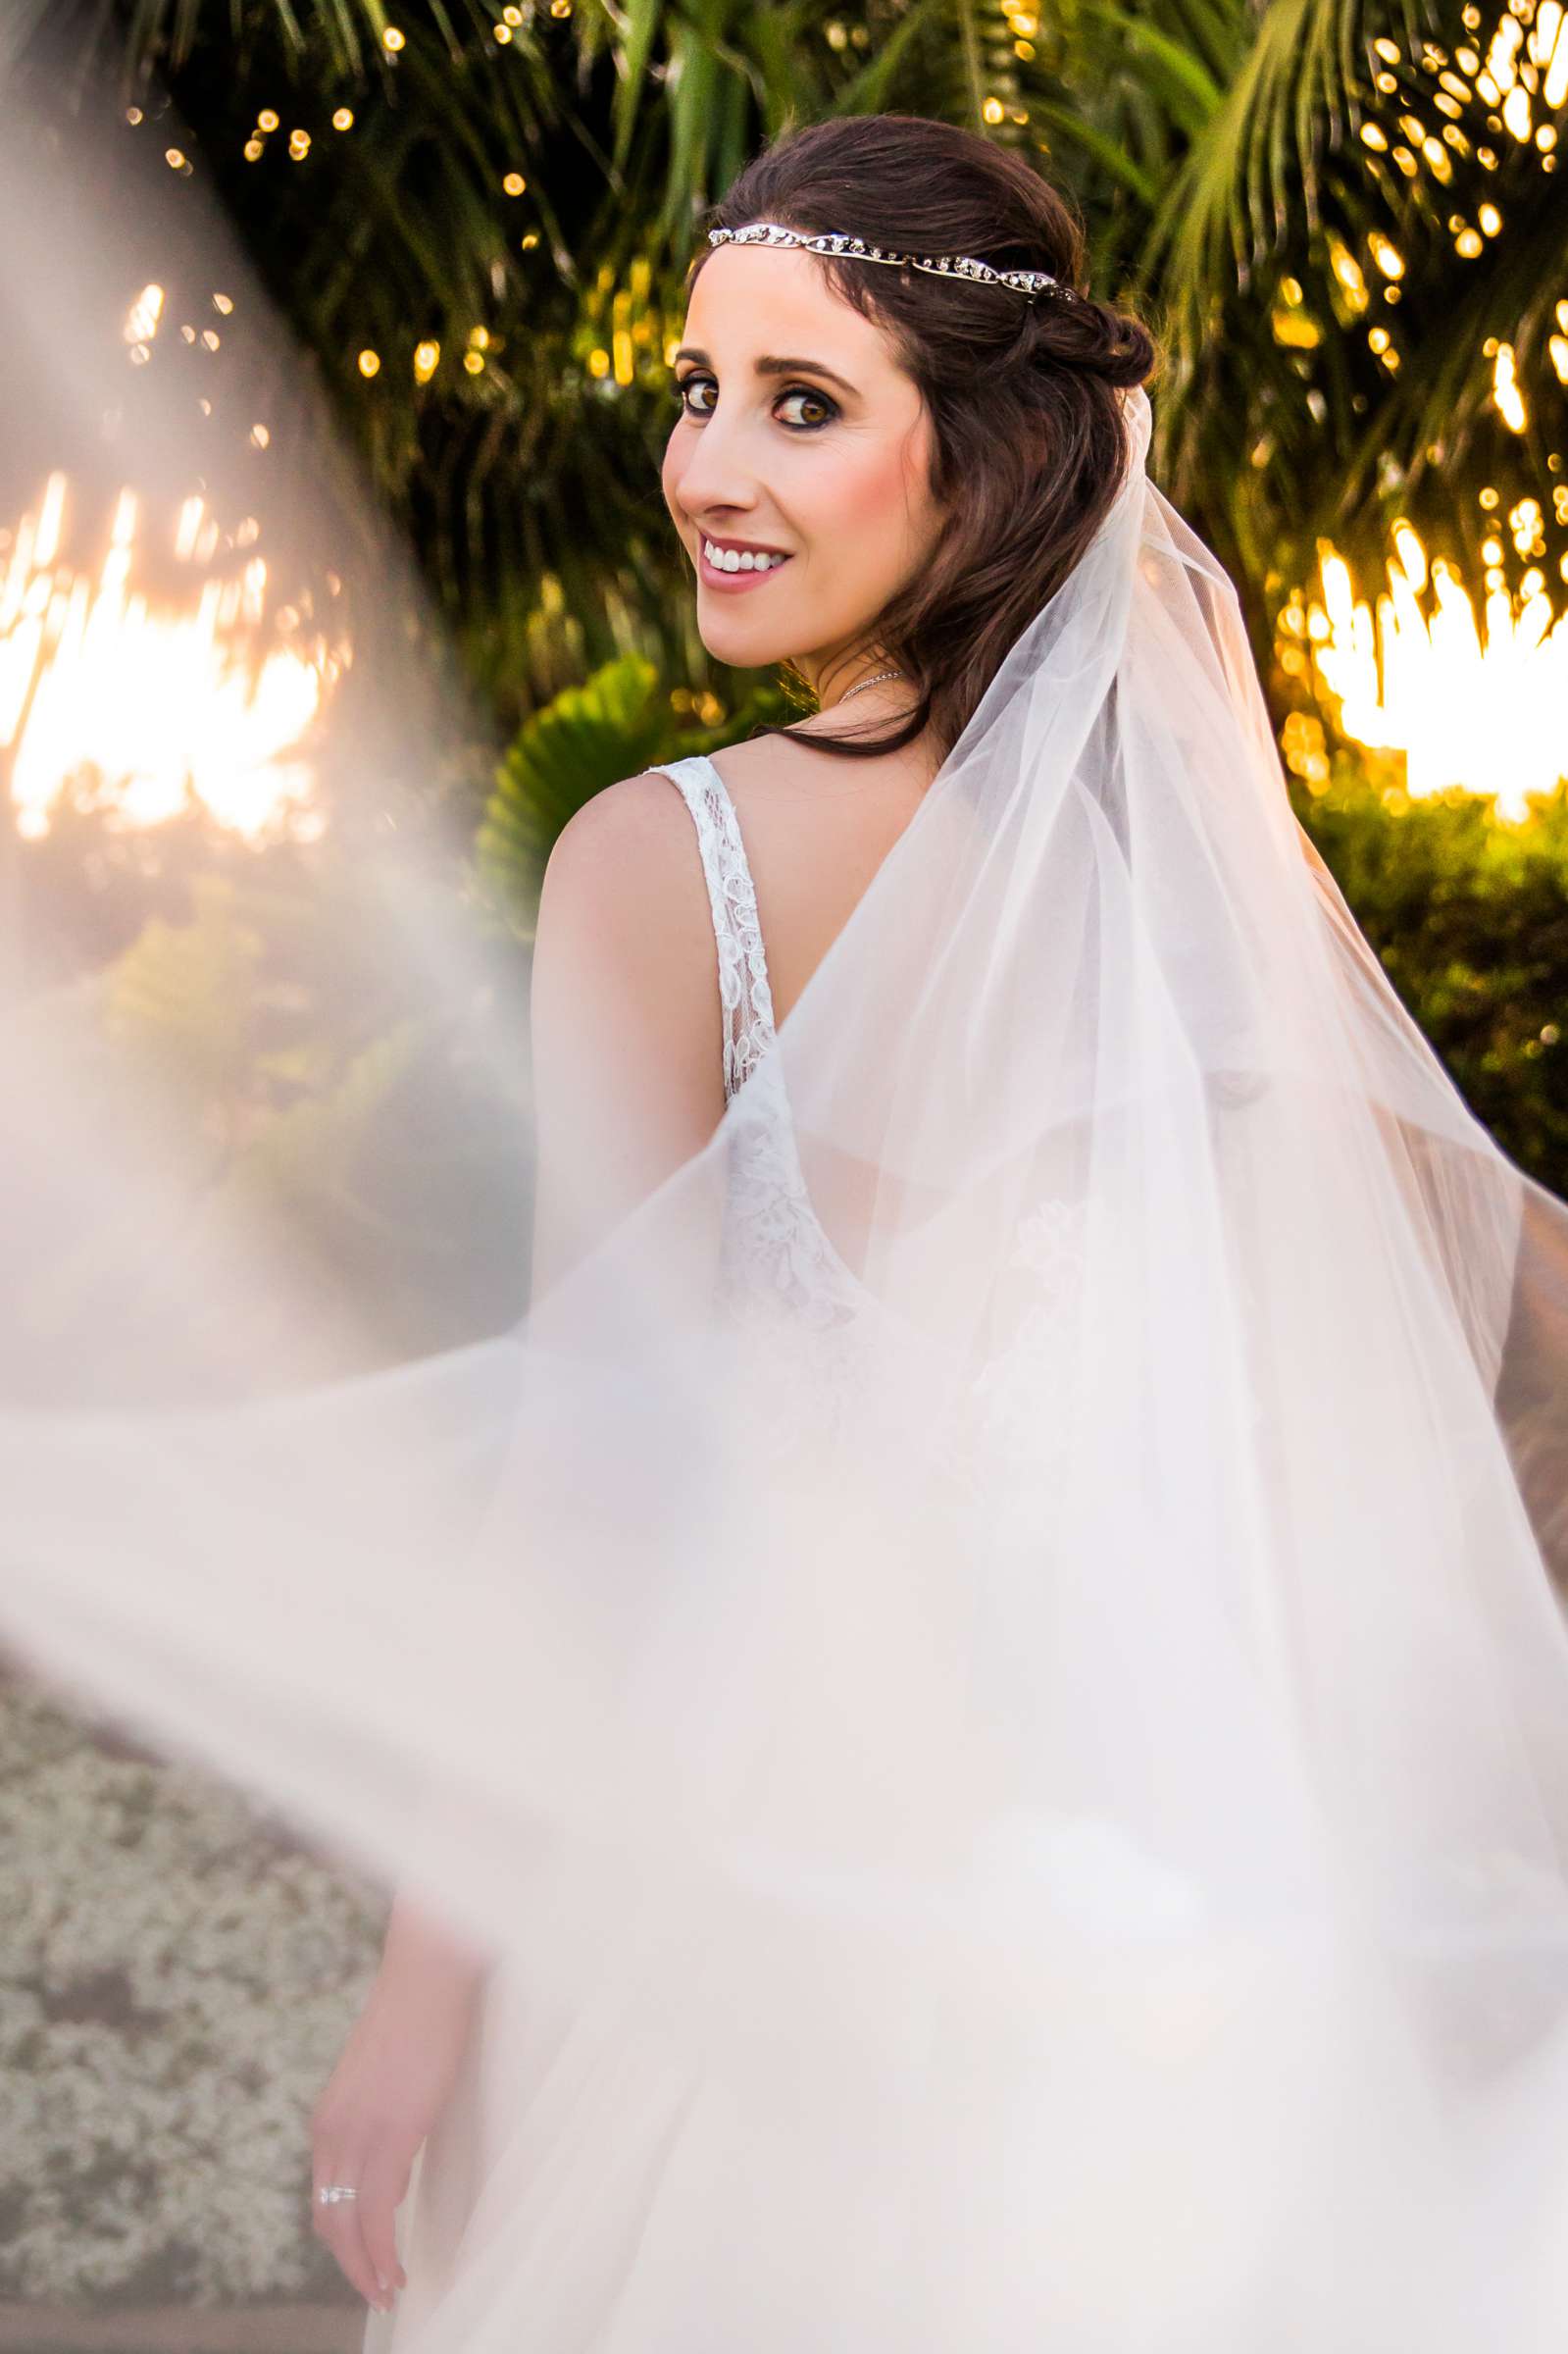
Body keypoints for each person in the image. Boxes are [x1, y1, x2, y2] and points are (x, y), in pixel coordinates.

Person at [7, 108, 1568, 2351]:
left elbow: (596, 1478)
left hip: (770, 1951)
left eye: (803, 404)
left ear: (989, 456)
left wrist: (423, 1992)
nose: (707, 468)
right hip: (1194, 1965)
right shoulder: (1191, 901)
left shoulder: (668, 867)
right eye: (695, 391)